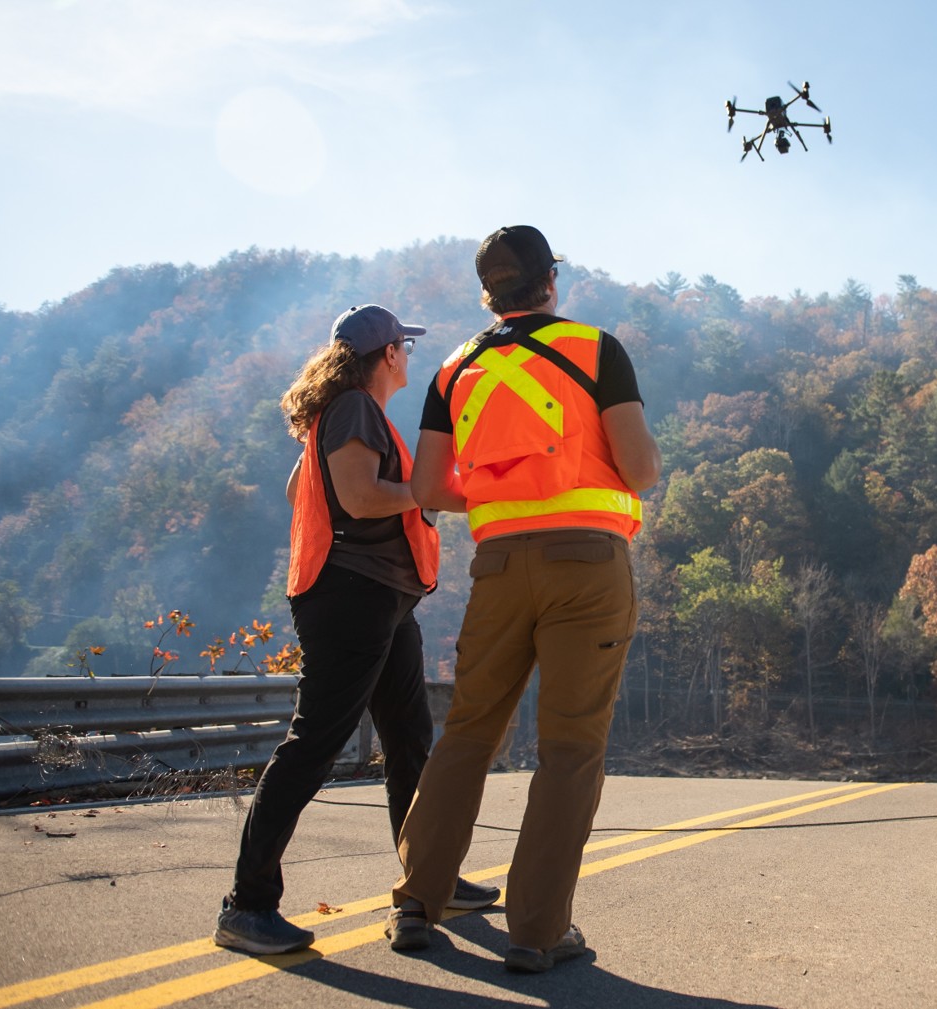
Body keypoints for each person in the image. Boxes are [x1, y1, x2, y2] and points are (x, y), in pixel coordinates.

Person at [388, 226, 661, 972]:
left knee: (469, 730)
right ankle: (536, 931)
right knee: (570, 747)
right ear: (550, 281)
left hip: (500, 567)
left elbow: (428, 488)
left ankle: (418, 899)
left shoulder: (452, 368)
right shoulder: (594, 349)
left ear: (490, 292)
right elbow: (638, 470)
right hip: (586, 564)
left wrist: (497, 487)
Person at [213, 304, 499, 955]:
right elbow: (362, 497)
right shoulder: (353, 409)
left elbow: (301, 491)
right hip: (352, 597)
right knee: (314, 742)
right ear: (387, 354)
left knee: (408, 739)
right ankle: (246, 905)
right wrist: (427, 489)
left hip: (382, 598)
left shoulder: (343, 412)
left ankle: (431, 878)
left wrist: (446, 490)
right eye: (404, 345)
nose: (409, 354)